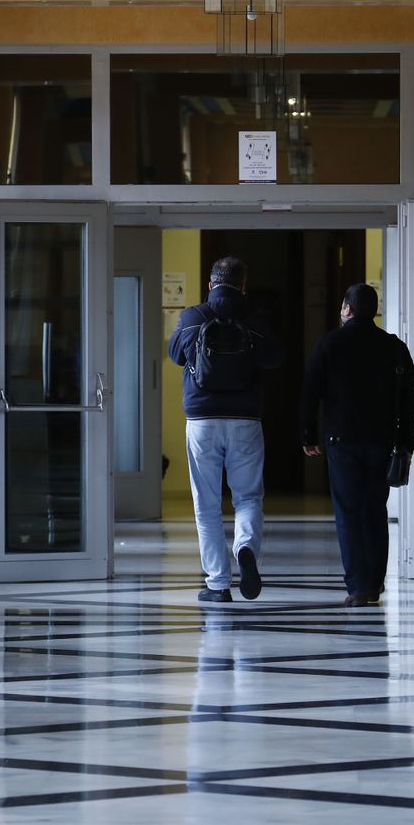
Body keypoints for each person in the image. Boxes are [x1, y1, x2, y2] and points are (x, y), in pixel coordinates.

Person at [168, 256, 281, 603]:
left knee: (207, 504)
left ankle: (218, 583)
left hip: (202, 420)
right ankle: (245, 547)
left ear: (210, 284)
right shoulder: (256, 319)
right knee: (247, 496)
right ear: (243, 287)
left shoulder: (192, 317)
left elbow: (175, 354)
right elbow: (275, 359)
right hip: (246, 419)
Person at [300, 283, 414, 606]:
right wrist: (406, 441)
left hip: (341, 441)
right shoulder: (394, 347)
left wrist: (309, 435)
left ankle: (358, 586)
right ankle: (376, 582)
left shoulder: (330, 343)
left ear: (347, 309)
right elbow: (409, 400)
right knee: (375, 511)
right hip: (382, 441)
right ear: (374, 310)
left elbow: (310, 392)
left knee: (348, 513)